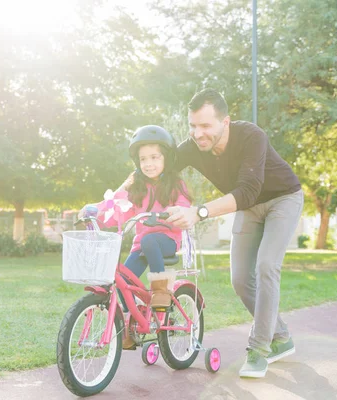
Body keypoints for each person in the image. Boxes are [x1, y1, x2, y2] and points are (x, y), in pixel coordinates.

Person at [166, 88, 303, 378]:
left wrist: (199, 212)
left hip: (283, 199)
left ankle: (259, 349)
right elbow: (157, 167)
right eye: (193, 125)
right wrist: (118, 193)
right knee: (240, 279)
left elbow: (247, 190)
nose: (197, 133)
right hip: (249, 207)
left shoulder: (252, 136)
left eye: (205, 126)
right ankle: (282, 338)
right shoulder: (193, 146)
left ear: (225, 122)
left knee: (266, 266)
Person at [80, 125, 192, 350]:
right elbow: (117, 207)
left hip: (166, 240)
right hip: (142, 244)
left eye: (154, 157)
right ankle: (131, 323)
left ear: (166, 159)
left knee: (151, 240)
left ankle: (162, 290)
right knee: (122, 279)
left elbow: (183, 206)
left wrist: (171, 212)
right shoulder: (135, 186)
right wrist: (94, 211)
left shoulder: (175, 184)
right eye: (143, 159)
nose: (148, 164)